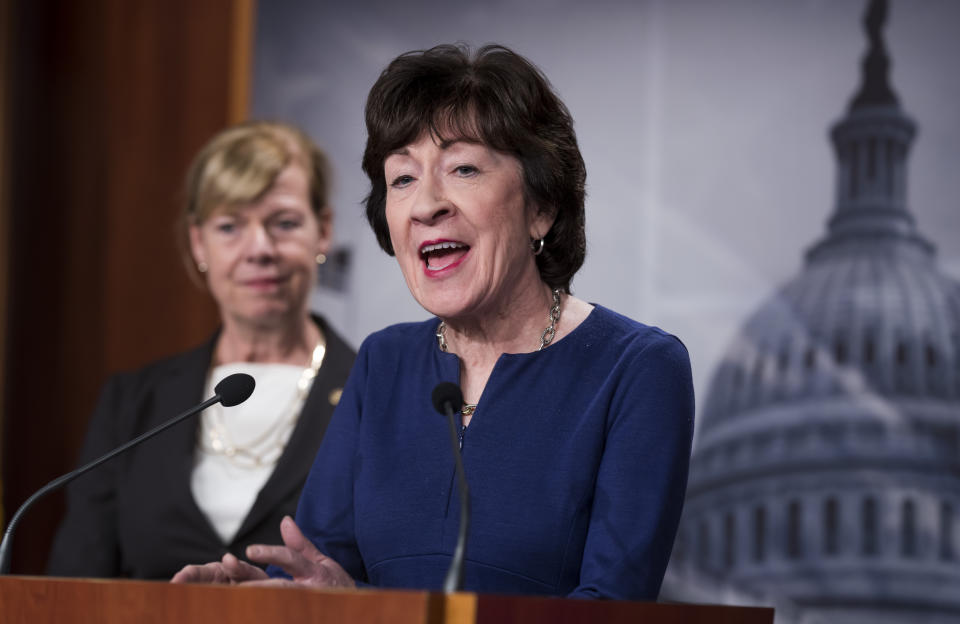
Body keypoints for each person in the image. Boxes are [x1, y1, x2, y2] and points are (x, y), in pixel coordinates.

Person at [172, 45, 694, 600]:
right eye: (401, 178)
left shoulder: (637, 369)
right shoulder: (383, 362)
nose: (426, 205)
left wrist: (368, 608)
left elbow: (612, 609)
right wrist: (284, 596)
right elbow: (322, 571)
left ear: (541, 206)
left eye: (463, 168)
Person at [47, 121, 356, 579]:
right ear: (198, 242)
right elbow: (74, 578)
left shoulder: (370, 394)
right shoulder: (133, 403)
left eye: (285, 223)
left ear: (323, 230)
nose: (259, 249)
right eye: (230, 226)